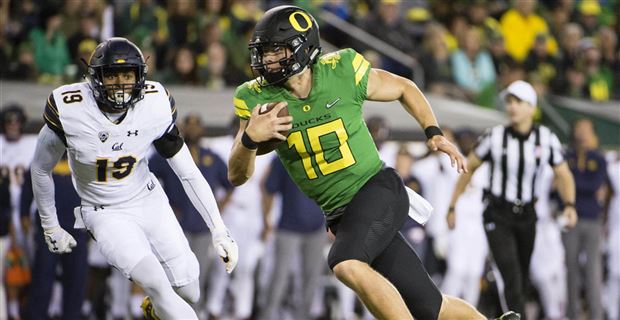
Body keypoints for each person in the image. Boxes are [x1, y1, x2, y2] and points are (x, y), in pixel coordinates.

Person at [228, 5, 518, 320]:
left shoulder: (342, 71)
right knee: (431, 307)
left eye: (276, 51)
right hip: (342, 215)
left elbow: (405, 87)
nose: (267, 60)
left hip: (376, 189)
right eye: (264, 52)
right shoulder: (256, 99)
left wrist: (432, 132)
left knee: (346, 263)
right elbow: (237, 175)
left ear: (303, 48)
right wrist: (249, 140)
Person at [29, 37, 238, 320]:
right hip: (104, 212)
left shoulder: (155, 104)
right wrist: (51, 226)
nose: (120, 83)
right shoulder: (70, 109)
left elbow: (187, 172)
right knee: (155, 283)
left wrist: (218, 229)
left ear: (140, 76)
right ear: (95, 77)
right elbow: (41, 168)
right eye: (112, 74)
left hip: (148, 198)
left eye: (127, 74)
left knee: (190, 292)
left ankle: (155, 312)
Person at [447, 80, 577, 317]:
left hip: (527, 214)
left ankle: (512, 314)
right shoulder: (495, 137)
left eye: (518, 101)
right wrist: (453, 205)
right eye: (509, 101)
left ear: (531, 107)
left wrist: (569, 204)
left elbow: (564, 174)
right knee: (511, 274)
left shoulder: (546, 138)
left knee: (522, 276)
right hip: (498, 213)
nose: (512, 106)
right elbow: (469, 167)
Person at [149, 113, 234, 316]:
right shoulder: (169, 154)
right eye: (190, 126)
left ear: (202, 130)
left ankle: (195, 312)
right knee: (174, 272)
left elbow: (229, 184)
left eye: (198, 126)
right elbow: (146, 176)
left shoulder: (211, 156)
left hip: (203, 227)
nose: (194, 130)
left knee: (200, 272)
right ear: (184, 129)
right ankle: (170, 313)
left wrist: (218, 209)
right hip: (176, 225)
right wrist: (165, 206)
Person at [21, 155, 88, 320]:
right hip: (48, 233)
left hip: (76, 232)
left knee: (76, 282)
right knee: (42, 282)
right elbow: (25, 199)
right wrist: (26, 225)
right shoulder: (41, 161)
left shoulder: (84, 161)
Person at [259, 157, 327, 320]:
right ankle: (268, 315)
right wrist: (266, 220)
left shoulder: (321, 155)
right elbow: (269, 189)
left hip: (316, 227)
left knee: (311, 279)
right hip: (288, 227)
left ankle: (303, 317)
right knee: (279, 276)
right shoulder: (283, 158)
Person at [564, 118, 609, 320]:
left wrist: (571, 183)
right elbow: (559, 189)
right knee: (571, 271)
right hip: (571, 220)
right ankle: (573, 315)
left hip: (591, 220)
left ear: (593, 134)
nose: (581, 133)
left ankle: (596, 315)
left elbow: (594, 185)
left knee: (593, 272)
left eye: (586, 129)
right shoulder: (568, 156)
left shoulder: (598, 158)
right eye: (579, 128)